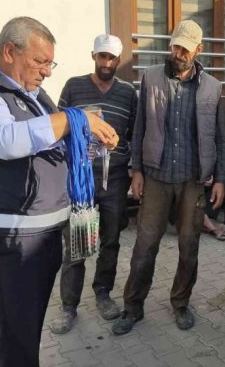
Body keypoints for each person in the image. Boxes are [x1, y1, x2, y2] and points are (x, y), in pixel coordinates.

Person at [0, 17, 118, 367]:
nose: (47, 72)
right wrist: (74, 118)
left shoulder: (35, 96)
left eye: (50, 63)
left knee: (28, 332)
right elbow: (7, 140)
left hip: (42, 237)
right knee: (17, 341)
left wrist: (90, 141)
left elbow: (52, 146)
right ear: (10, 52)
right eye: (40, 61)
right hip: (10, 242)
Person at [113, 20, 225, 335]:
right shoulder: (151, 77)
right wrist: (136, 170)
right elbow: (139, 127)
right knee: (145, 244)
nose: (178, 54)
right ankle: (132, 307)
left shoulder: (212, 87)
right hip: (157, 177)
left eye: (185, 49)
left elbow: (219, 138)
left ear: (198, 50)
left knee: (189, 246)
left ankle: (181, 303)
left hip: (193, 180)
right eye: (176, 46)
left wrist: (220, 178)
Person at [49, 34, 137, 334]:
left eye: (112, 58)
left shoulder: (128, 92)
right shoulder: (74, 86)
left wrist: (129, 162)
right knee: (77, 242)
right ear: (94, 56)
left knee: (110, 241)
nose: (107, 63)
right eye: (102, 56)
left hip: (115, 178)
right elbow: (57, 126)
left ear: (119, 60)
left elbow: (134, 133)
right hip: (81, 178)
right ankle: (69, 306)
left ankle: (103, 293)